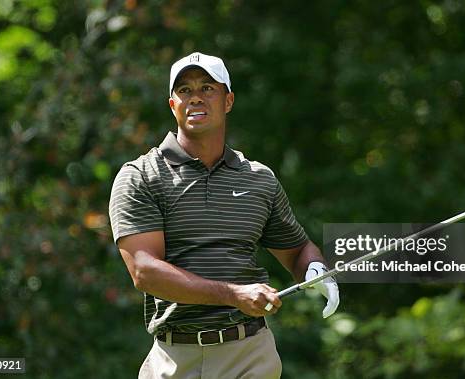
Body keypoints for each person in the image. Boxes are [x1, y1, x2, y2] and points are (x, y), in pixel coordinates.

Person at [108, 52, 339, 379]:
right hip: (175, 358)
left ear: (228, 100)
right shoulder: (141, 176)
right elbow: (144, 271)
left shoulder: (258, 179)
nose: (195, 98)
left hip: (249, 354)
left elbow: (298, 249)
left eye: (207, 88)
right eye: (184, 90)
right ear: (172, 105)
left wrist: (314, 268)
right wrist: (233, 294)